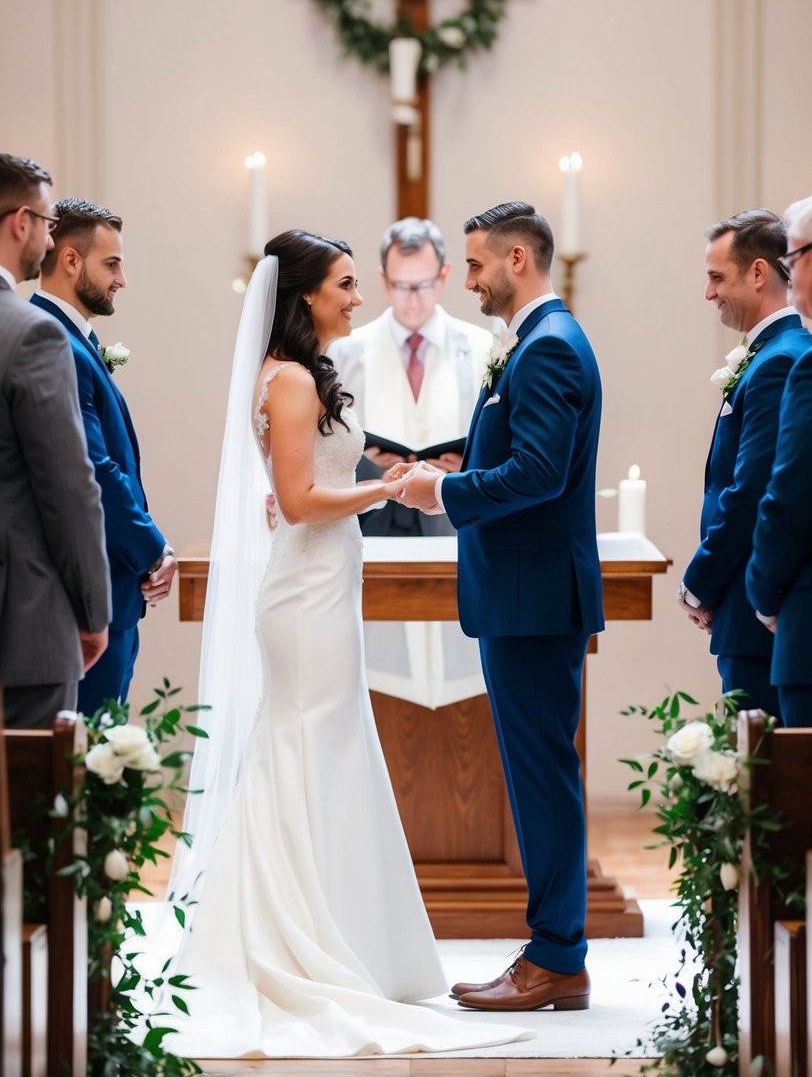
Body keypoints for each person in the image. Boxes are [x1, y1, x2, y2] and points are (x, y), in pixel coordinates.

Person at [151, 231, 528, 1058]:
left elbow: (291, 487)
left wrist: (374, 476)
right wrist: (384, 488)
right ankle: (291, 933)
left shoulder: (300, 375)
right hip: (304, 596)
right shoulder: (287, 380)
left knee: (325, 748)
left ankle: (338, 929)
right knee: (301, 745)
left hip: (323, 587)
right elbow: (295, 498)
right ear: (305, 294)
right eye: (346, 284)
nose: (357, 299)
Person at [393, 201, 603, 1012]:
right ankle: (553, 948)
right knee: (536, 776)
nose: (469, 280)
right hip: (525, 593)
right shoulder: (536, 343)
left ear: (517, 259)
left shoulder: (546, 348)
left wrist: (443, 488)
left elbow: (540, 475)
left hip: (532, 596)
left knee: (541, 779)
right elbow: (521, 458)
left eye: (477, 265)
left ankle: (556, 956)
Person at [329, 217, 492, 704]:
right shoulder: (346, 351)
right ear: (382, 280)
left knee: (460, 671)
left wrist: (463, 461)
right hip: (376, 525)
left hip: (454, 526)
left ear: (443, 277)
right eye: (401, 285)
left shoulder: (483, 347)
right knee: (381, 673)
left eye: (423, 284)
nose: (412, 298)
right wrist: (368, 461)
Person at [32, 199, 176, 714]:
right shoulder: (54, 343)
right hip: (85, 596)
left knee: (101, 747)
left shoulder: (75, 340)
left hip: (109, 588)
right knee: (85, 755)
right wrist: (153, 549)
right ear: (71, 261)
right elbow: (94, 468)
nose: (122, 280)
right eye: (111, 264)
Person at [677, 210, 812, 716]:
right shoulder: (770, 354)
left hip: (756, 613)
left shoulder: (779, 359)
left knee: (762, 779)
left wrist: (700, 581)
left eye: (716, 278)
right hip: (746, 608)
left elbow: (752, 489)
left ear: (758, 273)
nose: (709, 293)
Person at [0, 153, 110, 727]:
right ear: (21, 222)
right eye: (45, 223)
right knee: (31, 809)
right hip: (22, 630)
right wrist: (94, 614)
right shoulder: (29, 334)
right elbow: (70, 487)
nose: (45, 237)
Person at [746, 189, 812, 726]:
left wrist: (763, 592)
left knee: (806, 801)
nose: (789, 278)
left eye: (791, 260)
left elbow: (792, 495)